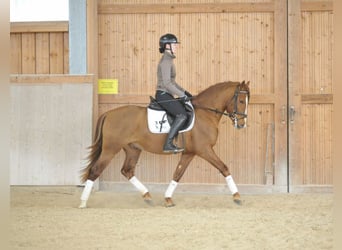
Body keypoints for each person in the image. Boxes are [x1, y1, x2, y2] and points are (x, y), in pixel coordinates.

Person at [155, 33, 192, 153]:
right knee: (182, 115)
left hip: (167, 94)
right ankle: (168, 144)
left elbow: (172, 82)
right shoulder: (166, 61)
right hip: (163, 95)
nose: (176, 46)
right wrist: (182, 95)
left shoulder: (169, 59)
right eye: (174, 44)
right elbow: (166, 84)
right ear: (167, 46)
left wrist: (185, 92)